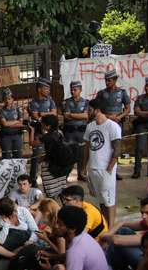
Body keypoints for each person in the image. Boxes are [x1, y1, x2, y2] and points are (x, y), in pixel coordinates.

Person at [26, 206, 110, 270]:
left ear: (72, 229)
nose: (55, 226)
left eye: (60, 224)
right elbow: (69, 255)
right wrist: (52, 257)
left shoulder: (76, 250)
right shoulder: (83, 236)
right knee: (53, 268)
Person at [82, 97, 121, 228]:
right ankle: (105, 226)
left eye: (90, 109)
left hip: (105, 169)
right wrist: (84, 166)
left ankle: (111, 228)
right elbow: (87, 148)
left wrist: (109, 168)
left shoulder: (112, 126)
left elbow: (117, 148)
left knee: (109, 200)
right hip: (93, 168)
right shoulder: (90, 126)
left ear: (97, 110)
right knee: (101, 200)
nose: (87, 111)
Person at [103, 196, 148, 270]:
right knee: (123, 231)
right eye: (142, 213)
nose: (143, 216)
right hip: (147, 257)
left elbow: (117, 240)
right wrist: (109, 234)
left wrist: (103, 237)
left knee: (118, 246)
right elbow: (123, 223)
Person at [27, 77, 57, 186]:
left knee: (50, 155)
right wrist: (47, 113)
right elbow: (35, 115)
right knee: (36, 157)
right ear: (39, 89)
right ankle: (33, 180)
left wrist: (42, 114)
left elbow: (54, 113)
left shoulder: (50, 100)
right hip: (38, 132)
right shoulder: (33, 102)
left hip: (49, 132)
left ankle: (51, 177)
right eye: (46, 88)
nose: (48, 91)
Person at [39, 114, 73, 198]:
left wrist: (32, 130)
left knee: (50, 190)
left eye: (42, 123)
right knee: (60, 188)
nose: (41, 125)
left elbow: (33, 143)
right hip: (60, 166)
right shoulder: (59, 133)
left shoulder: (47, 137)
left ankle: (52, 207)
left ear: (48, 126)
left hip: (50, 167)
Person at [62, 80, 89, 180]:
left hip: (81, 132)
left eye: (75, 89)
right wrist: (79, 115)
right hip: (69, 132)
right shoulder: (66, 102)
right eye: (71, 89)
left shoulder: (85, 102)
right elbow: (66, 116)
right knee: (69, 154)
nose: (73, 91)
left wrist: (72, 115)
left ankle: (81, 174)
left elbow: (86, 116)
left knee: (82, 155)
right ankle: (65, 175)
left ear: (80, 90)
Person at [0, 88, 26, 159]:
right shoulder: (1, 111)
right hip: (5, 137)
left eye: (9, 99)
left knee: (18, 157)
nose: (7, 101)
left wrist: (10, 123)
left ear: (12, 99)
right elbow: (5, 124)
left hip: (17, 136)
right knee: (7, 158)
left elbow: (21, 123)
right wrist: (16, 121)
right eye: (5, 99)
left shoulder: (18, 109)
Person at [132, 77, 148, 178]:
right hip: (142, 125)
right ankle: (137, 171)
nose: (147, 88)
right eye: (146, 86)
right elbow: (137, 112)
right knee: (139, 148)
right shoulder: (140, 98)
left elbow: (141, 112)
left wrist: (143, 113)